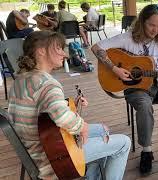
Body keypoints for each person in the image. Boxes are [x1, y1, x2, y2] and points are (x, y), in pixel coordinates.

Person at [8, 31, 131, 180]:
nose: (64, 54)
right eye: (58, 48)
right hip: (51, 156)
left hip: (36, 146)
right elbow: (61, 117)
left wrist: (71, 104)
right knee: (124, 143)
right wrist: (83, 127)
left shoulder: (22, 78)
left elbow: (45, 110)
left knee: (102, 130)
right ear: (41, 51)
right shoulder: (47, 83)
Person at [91, 4, 158, 174]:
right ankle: (147, 150)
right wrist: (114, 69)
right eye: (151, 25)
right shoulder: (127, 38)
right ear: (142, 22)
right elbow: (96, 47)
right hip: (135, 87)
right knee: (145, 107)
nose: (155, 29)